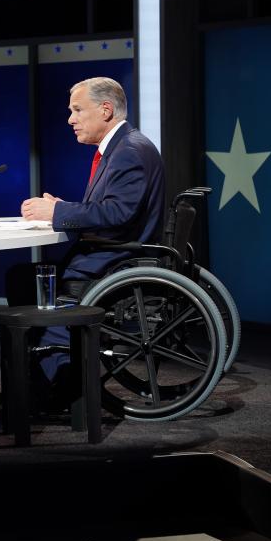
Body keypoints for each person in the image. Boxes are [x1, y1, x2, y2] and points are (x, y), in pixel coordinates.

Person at [19, 77, 166, 390]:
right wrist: (65, 207)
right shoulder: (123, 146)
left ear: (106, 110)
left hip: (113, 262)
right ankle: (36, 378)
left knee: (24, 283)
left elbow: (118, 214)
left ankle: (57, 384)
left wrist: (57, 213)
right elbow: (113, 207)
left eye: (77, 110)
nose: (70, 119)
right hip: (110, 254)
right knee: (21, 279)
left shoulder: (128, 151)